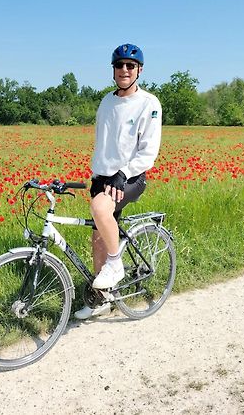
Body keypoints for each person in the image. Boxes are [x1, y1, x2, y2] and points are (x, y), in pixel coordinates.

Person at [74, 43, 163, 320]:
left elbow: (148, 151)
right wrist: (96, 174)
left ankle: (116, 264)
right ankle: (102, 300)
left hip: (130, 178)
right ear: (113, 70)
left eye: (130, 66)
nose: (124, 70)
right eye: (119, 65)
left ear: (139, 70)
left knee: (101, 211)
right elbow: (103, 143)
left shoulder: (149, 103)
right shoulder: (106, 101)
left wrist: (123, 173)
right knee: (98, 237)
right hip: (103, 178)